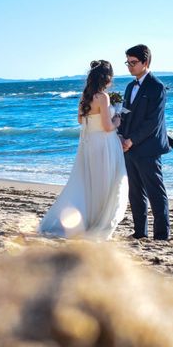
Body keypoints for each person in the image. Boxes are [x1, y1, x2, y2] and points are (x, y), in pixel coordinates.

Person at [39, 60, 128, 239]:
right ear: (107, 78)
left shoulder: (85, 96)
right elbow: (107, 126)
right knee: (108, 182)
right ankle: (98, 221)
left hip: (90, 143)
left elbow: (81, 121)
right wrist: (117, 118)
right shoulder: (103, 97)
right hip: (104, 144)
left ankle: (88, 218)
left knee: (90, 181)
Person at [119, 44, 172, 240]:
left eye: (133, 63)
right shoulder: (129, 87)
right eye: (128, 62)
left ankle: (161, 234)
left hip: (148, 148)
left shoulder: (156, 86)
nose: (130, 66)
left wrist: (131, 140)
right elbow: (125, 114)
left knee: (155, 192)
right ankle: (140, 232)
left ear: (145, 62)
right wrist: (121, 136)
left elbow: (153, 122)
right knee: (135, 192)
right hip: (128, 147)